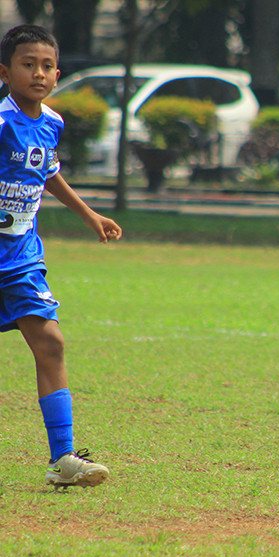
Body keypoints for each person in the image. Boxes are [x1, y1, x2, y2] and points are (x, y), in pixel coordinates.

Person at [0, 25, 123, 488]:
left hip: (20, 258)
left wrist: (90, 215)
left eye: (47, 66)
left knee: (50, 342)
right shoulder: (0, 121)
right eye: (28, 64)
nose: (39, 73)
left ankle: (63, 458)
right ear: (5, 72)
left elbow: (47, 173)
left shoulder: (51, 122)